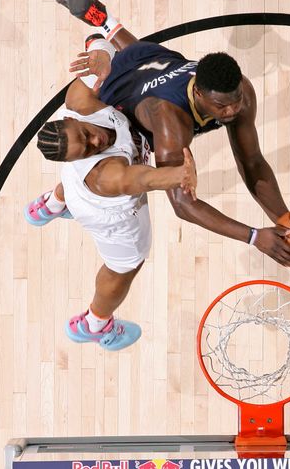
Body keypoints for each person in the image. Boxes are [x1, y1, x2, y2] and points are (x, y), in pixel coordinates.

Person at [51, 0, 290, 268]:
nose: (232, 110)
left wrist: (286, 223)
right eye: (222, 105)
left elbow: (252, 162)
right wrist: (254, 236)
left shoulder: (240, 91)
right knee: (106, 163)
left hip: (151, 61)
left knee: (142, 53)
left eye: (235, 100)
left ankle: (103, 19)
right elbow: (183, 205)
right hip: (113, 101)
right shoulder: (171, 123)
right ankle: (55, 200)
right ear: (198, 92)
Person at [24, 93, 198, 351]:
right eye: (88, 148)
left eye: (86, 134)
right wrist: (181, 174)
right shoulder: (108, 176)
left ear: (72, 118)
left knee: (72, 176)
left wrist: (103, 51)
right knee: (124, 268)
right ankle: (95, 324)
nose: (96, 140)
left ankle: (55, 203)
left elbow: (87, 76)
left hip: (76, 183)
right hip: (109, 218)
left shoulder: (79, 105)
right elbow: (145, 180)